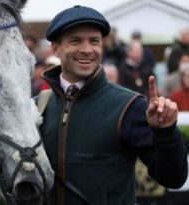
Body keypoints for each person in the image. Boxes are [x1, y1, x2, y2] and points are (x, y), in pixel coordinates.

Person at [39, 5, 188, 205]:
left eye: (94, 41)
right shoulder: (37, 107)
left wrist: (166, 132)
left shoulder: (129, 106)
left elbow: (174, 178)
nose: (87, 49)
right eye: (75, 41)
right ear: (55, 48)